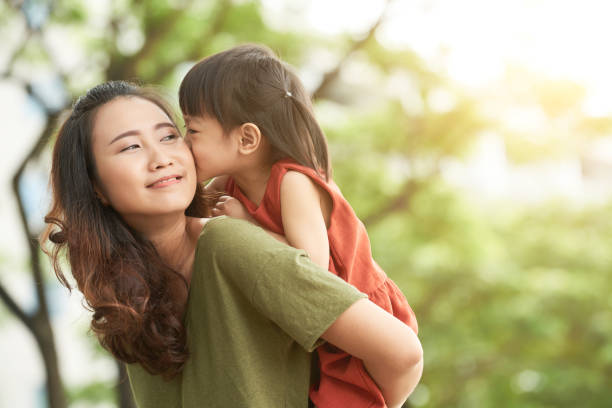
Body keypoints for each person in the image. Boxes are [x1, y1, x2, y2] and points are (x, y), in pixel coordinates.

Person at [40, 80, 423, 408]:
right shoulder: (128, 297)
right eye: (130, 147)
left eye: (170, 135)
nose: (161, 158)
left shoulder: (228, 243)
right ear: (95, 186)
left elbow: (401, 354)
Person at [179, 44, 420, 408]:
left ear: (246, 139)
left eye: (192, 130)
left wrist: (244, 225)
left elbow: (311, 267)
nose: (183, 144)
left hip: (356, 312)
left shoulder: (293, 182)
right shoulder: (228, 183)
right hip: (313, 319)